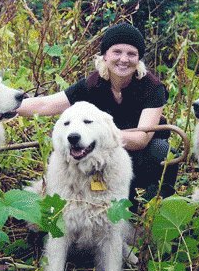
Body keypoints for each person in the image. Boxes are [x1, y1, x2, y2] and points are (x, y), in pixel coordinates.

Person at [17, 22, 179, 209]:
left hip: (141, 158)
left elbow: (142, 138)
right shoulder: (92, 85)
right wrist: (9, 106)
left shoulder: (152, 87)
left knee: (163, 151)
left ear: (139, 59)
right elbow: (46, 104)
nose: (124, 59)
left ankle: (155, 208)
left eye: (131, 54)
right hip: (102, 161)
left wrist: (103, 133)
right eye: (117, 52)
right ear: (105, 55)